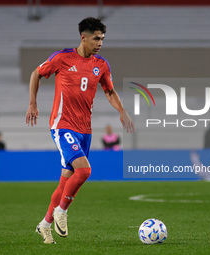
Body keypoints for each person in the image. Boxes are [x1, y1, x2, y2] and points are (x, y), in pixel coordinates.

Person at [26, 17, 135, 244]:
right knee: (84, 171)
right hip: (63, 124)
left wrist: (122, 111)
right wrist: (33, 103)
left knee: (66, 180)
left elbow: (110, 91)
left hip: (85, 129)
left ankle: (44, 225)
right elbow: (36, 73)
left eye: (103, 38)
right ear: (83, 37)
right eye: (96, 38)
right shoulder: (62, 58)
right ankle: (61, 211)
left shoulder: (102, 65)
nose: (100, 43)